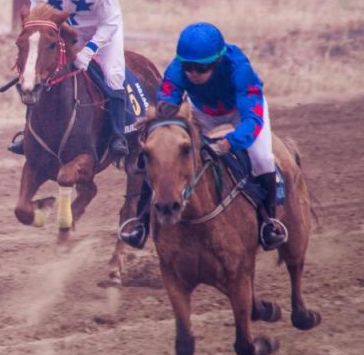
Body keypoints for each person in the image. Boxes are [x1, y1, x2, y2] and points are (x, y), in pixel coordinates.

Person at [118, 22, 288, 251]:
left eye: (202, 68)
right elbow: (167, 102)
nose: (194, 74)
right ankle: (141, 224)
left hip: (243, 112)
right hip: (202, 111)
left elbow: (252, 121)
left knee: (262, 159)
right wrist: (162, 119)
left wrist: (228, 143)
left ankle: (269, 223)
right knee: (161, 155)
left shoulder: (241, 70)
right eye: (188, 67)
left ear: (217, 62)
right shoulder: (176, 70)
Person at [8, 0, 129, 162]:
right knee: (40, 75)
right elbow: (38, 21)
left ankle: (118, 135)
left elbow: (111, 22)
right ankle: (29, 134)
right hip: (66, 30)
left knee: (113, 75)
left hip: (102, 32)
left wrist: (89, 50)